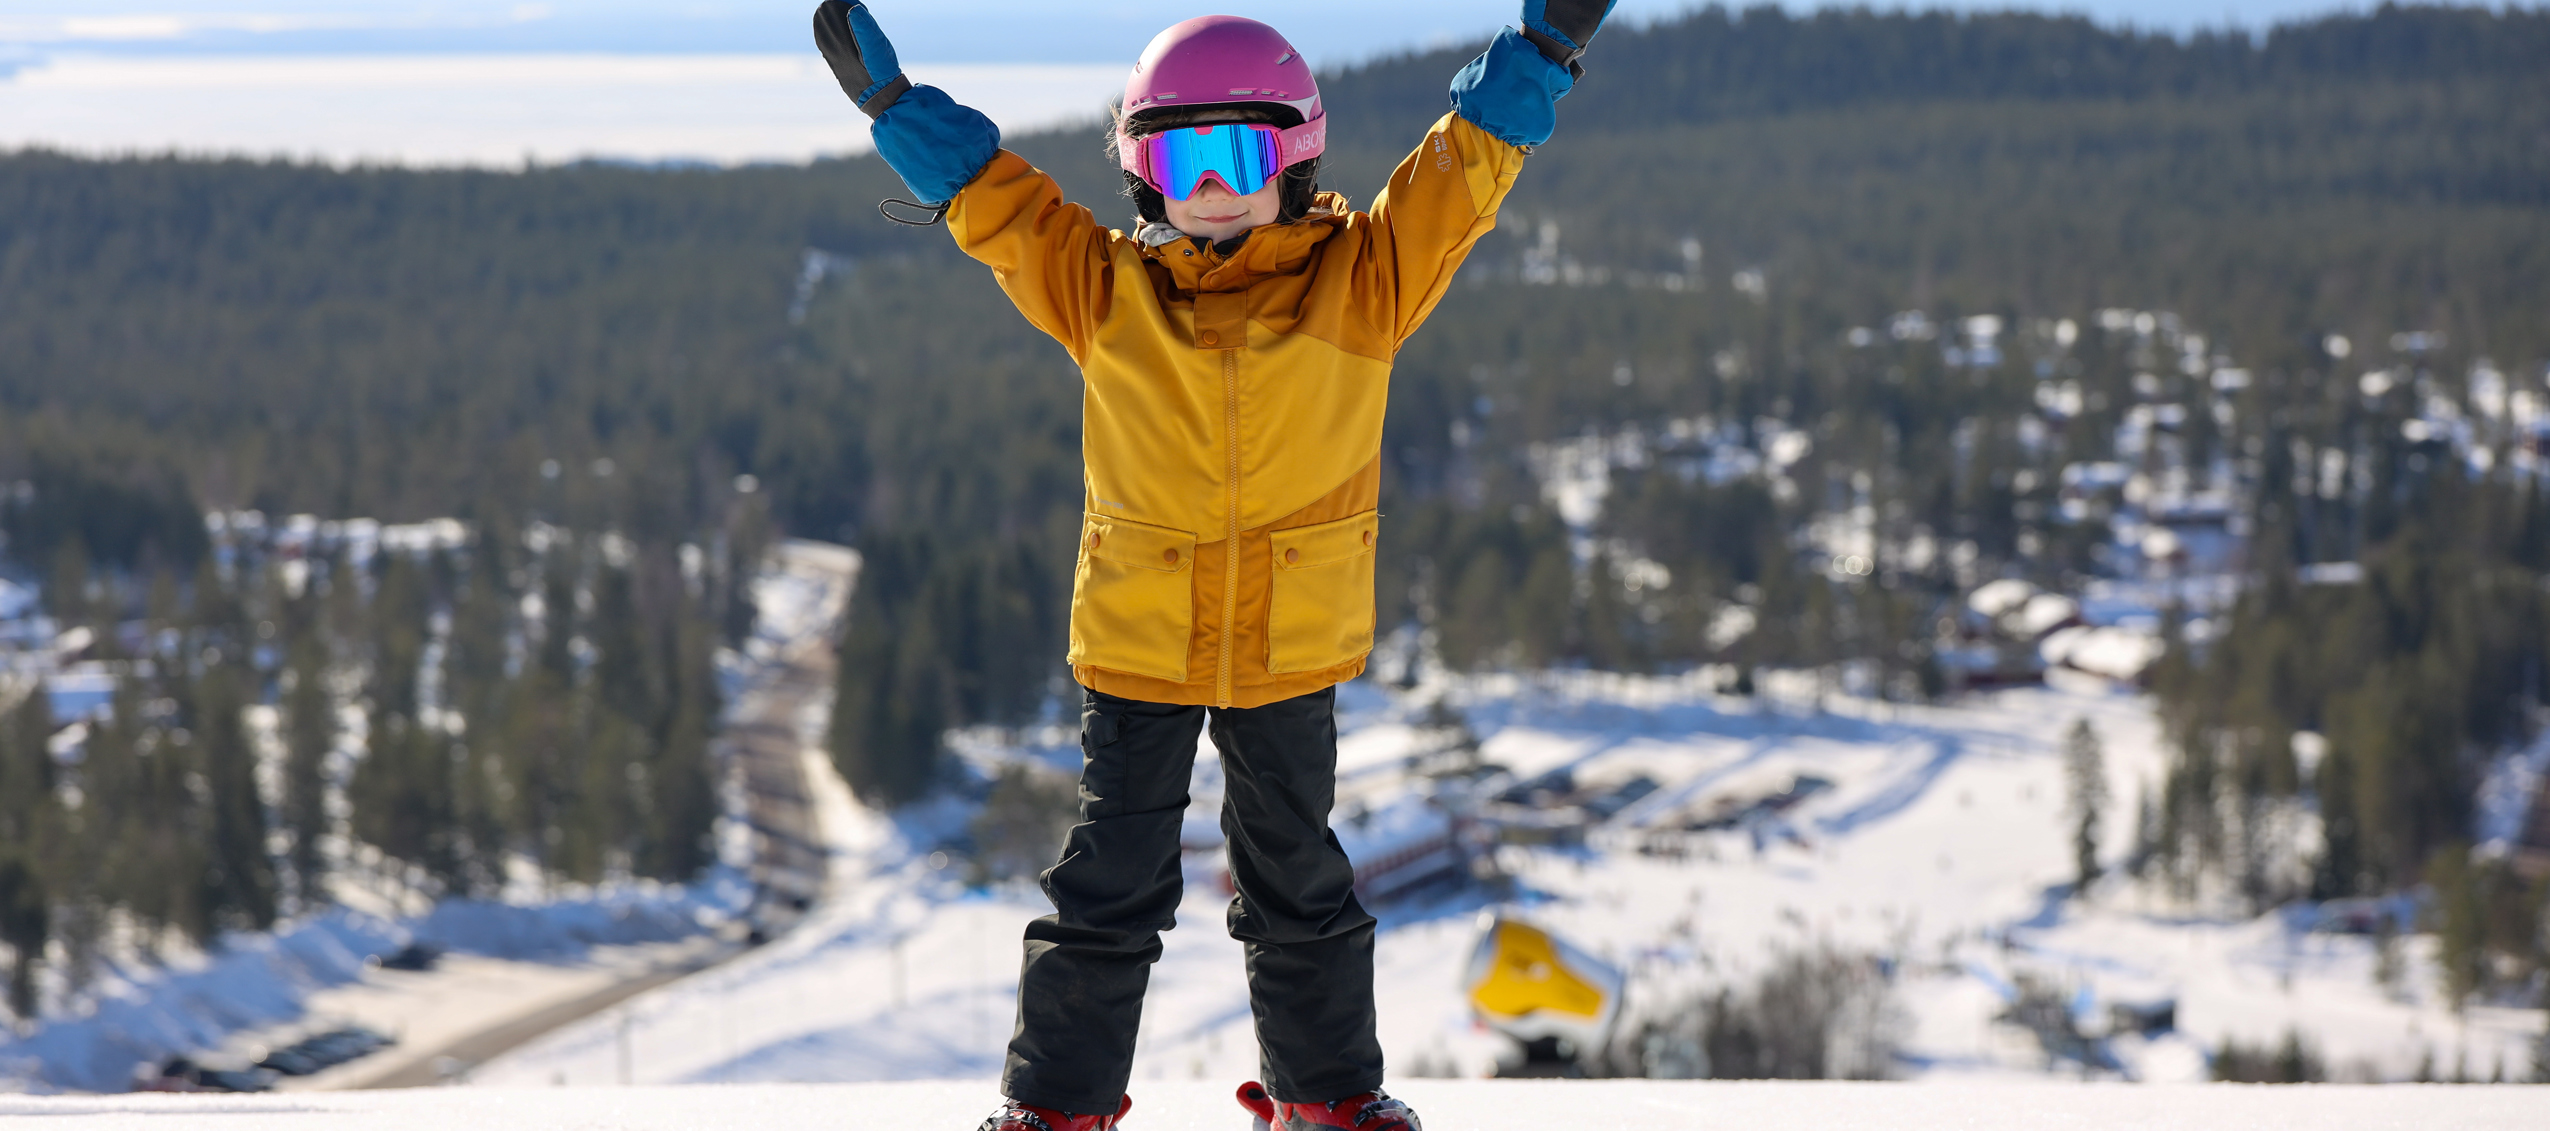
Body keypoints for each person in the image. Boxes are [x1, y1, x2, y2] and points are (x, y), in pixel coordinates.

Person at [810, 4, 1618, 1128]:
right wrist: (897, 113)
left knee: (1300, 879)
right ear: (1144, 174)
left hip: (1290, 642)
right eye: (1179, 157)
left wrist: (1541, 56)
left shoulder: (1364, 285)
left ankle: (1327, 1095)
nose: (1211, 184)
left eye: (1237, 152)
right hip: (1141, 642)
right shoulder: (1106, 295)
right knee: (1109, 884)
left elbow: (1461, 170)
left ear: (1291, 158)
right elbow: (999, 205)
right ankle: (1057, 1105)